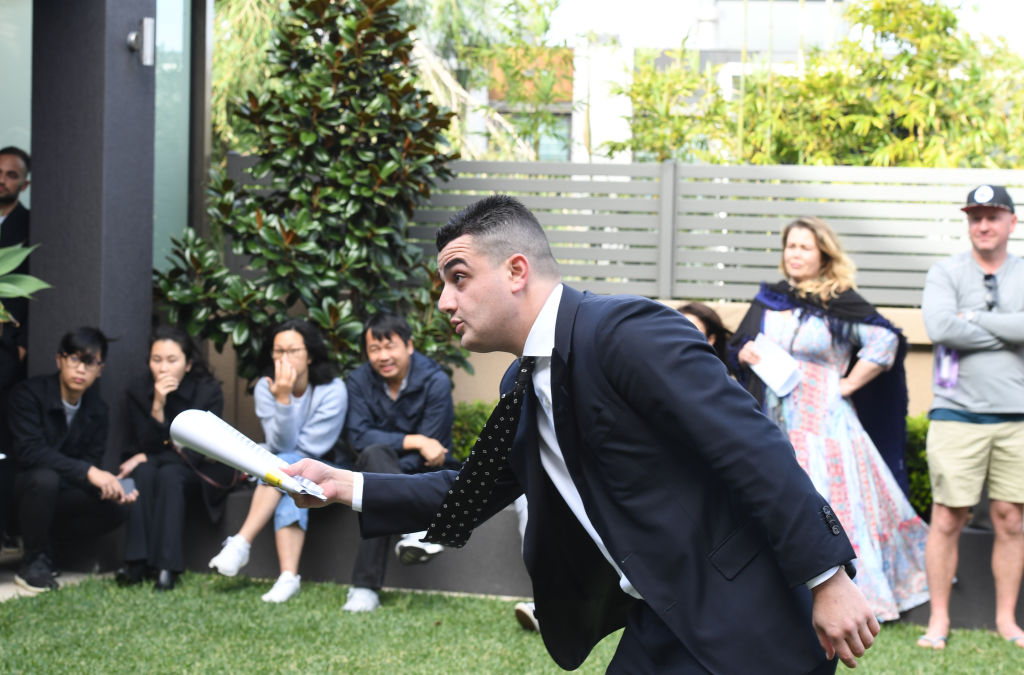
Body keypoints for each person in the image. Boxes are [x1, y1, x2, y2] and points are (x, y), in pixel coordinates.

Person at [284, 195, 879, 673]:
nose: (444, 301)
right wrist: (344, 486)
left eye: (457, 278)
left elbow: (752, 446)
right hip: (658, 620)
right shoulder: (523, 382)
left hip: (747, 616)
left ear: (516, 270)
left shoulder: (625, 331)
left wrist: (827, 577)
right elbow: (469, 490)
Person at [727, 216, 929, 622]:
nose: (795, 254)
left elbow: (885, 338)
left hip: (826, 425)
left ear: (823, 253)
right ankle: (786, 592)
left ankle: (856, 596)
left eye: (804, 247)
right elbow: (737, 346)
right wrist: (745, 353)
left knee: (832, 501)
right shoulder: (771, 299)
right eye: (790, 247)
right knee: (781, 497)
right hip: (776, 418)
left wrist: (850, 383)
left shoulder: (837, 299)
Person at [918, 184, 1024, 650]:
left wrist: (974, 320)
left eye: (993, 216)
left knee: (1010, 519)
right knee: (947, 516)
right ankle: (938, 620)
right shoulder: (945, 271)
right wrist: (1009, 330)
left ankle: (1006, 620)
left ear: (1011, 223)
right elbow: (940, 327)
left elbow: (960, 326)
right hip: (956, 413)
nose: (983, 224)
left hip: (1017, 416)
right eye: (975, 216)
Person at [208, 319, 347, 603]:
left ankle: (242, 542)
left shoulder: (333, 390)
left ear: (309, 354)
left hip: (322, 467)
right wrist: (281, 396)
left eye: (292, 350)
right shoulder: (265, 387)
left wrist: (283, 400)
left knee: (287, 464)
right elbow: (282, 446)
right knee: (287, 471)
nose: (283, 358)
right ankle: (287, 577)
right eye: (277, 351)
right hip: (285, 470)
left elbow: (309, 449)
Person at [340, 312, 458, 613]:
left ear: (409, 345)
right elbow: (359, 436)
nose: (383, 356)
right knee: (375, 456)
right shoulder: (358, 380)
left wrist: (388, 480)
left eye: (389, 346)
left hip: (425, 474)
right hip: (377, 467)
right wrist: (414, 440)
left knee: (376, 480)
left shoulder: (436, 382)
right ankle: (412, 530)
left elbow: (432, 452)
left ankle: (365, 588)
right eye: (374, 349)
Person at [8, 327, 137, 593]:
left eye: (90, 362)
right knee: (45, 478)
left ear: (100, 369)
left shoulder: (97, 410)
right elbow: (29, 452)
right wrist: (89, 472)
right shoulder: (28, 394)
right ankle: (32, 564)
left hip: (58, 492)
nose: (81, 369)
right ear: (60, 360)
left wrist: (111, 487)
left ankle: (48, 548)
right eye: (74, 359)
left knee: (115, 507)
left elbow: (87, 465)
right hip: (16, 492)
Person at [116, 326, 238, 590]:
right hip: (155, 467)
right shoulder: (138, 390)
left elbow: (199, 451)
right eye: (156, 360)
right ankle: (135, 562)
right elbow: (138, 444)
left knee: (168, 474)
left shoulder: (208, 392)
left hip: (197, 469)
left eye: (172, 360)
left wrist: (147, 456)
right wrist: (157, 405)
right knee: (142, 474)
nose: (163, 368)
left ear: (188, 363)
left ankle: (167, 567)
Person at [0, 146, 32, 544]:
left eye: (10, 174)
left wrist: (23, 342)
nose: (2, 179)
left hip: (7, 349)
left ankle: (6, 529)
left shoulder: (31, 226)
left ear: (24, 183)